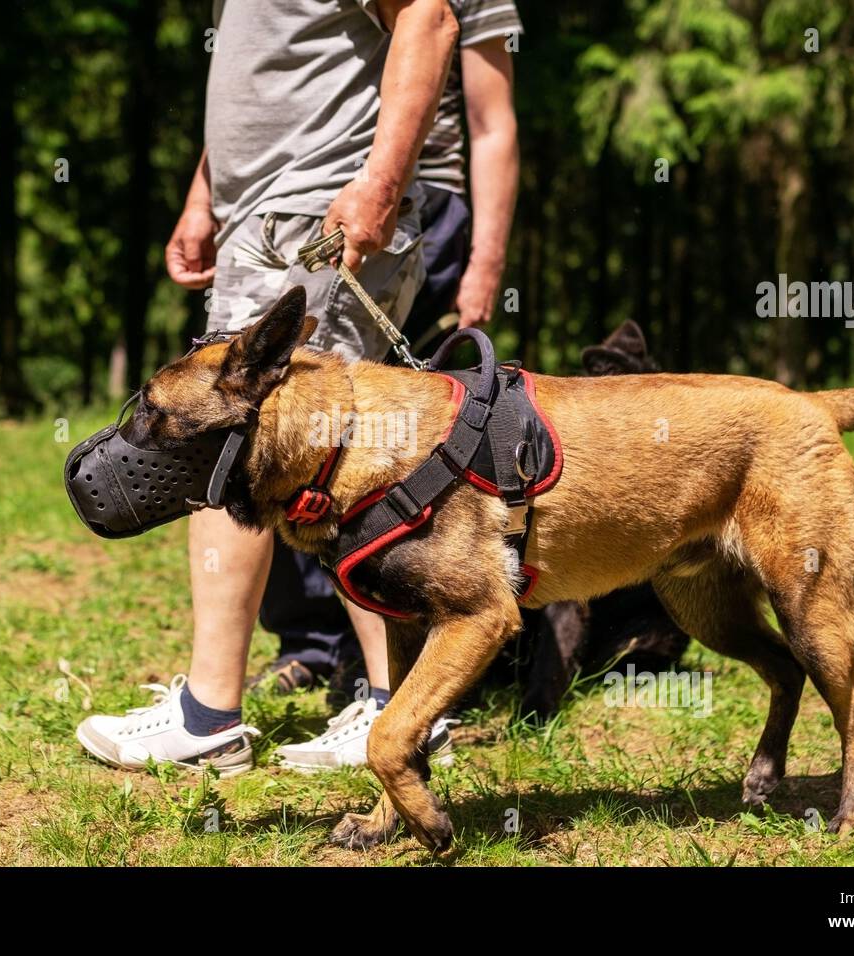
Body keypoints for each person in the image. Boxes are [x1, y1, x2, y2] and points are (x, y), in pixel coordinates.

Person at [76, 0, 461, 776]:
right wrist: (206, 198)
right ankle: (394, 705)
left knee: (244, 445)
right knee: (328, 459)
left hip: (316, 203)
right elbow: (250, 74)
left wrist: (382, 180)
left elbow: (430, 15)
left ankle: (222, 715)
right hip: (262, 210)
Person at [251, 0, 524, 767]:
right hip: (303, 195)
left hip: (413, 202)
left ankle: (406, 692)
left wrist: (485, 264)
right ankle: (312, 643)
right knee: (294, 446)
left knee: (391, 461)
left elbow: (492, 123)